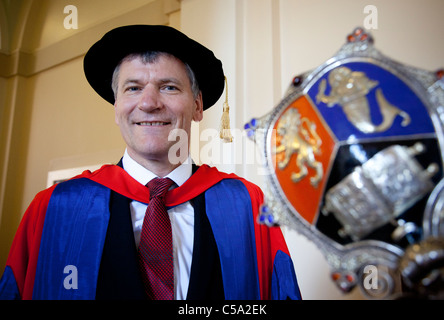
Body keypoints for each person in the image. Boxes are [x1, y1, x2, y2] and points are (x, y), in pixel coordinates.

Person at [0, 25, 301, 300]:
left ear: (197, 106)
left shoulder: (245, 206)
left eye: (169, 87)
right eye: (132, 88)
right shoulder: (55, 209)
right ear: (116, 106)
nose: (148, 102)